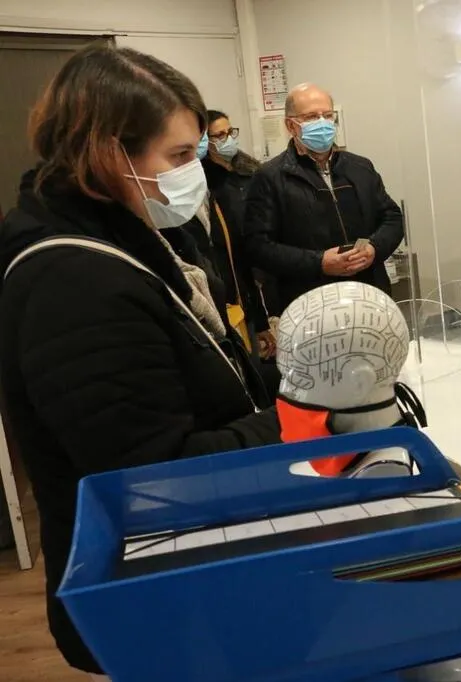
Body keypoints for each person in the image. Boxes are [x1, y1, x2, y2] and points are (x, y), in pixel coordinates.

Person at [0, 45, 280, 678]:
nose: (194, 173)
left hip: (197, 562)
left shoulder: (136, 231)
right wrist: (296, 417)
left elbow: (197, 370)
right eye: (178, 156)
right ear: (108, 153)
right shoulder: (73, 280)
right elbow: (153, 475)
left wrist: (294, 373)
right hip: (153, 592)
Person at [244, 82, 404, 313]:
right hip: (310, 303)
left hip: (369, 293)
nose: (322, 123)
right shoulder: (270, 177)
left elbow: (392, 217)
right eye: (311, 117)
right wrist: (319, 262)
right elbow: (258, 246)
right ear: (291, 125)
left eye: (327, 115)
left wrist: (374, 248)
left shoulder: (360, 167)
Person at [201, 109, 277, 359]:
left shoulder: (251, 171)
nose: (228, 139)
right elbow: (229, 250)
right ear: (206, 141)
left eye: (230, 132)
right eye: (219, 135)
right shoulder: (207, 184)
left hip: (266, 263)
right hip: (236, 279)